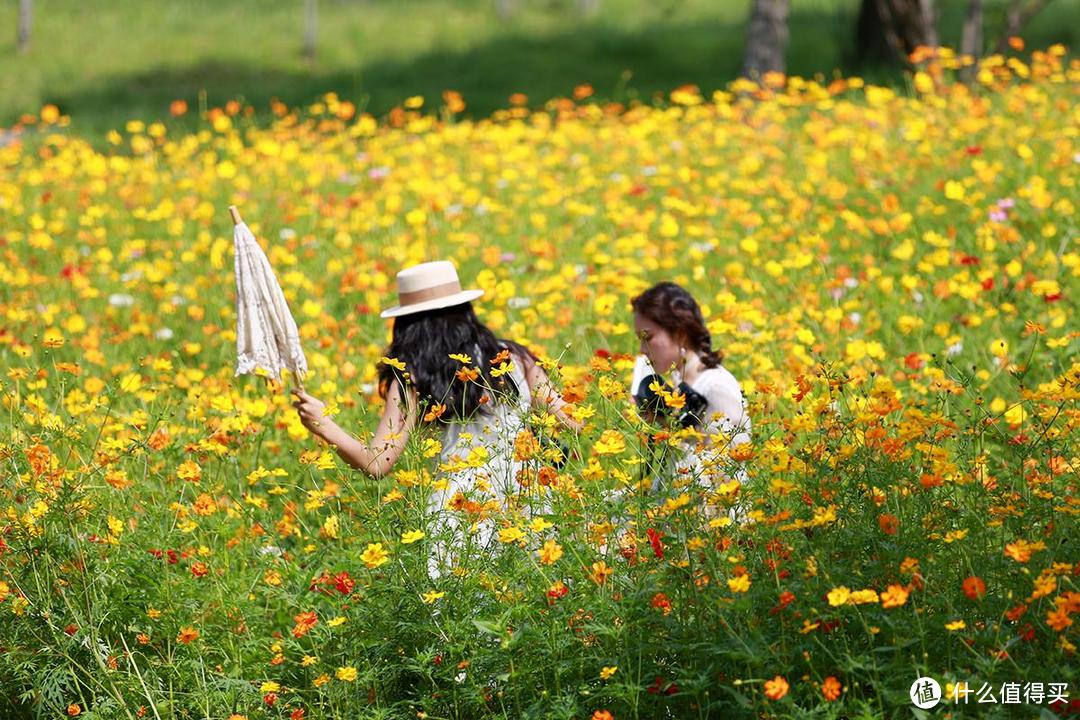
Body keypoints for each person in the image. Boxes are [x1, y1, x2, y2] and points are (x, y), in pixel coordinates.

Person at [291, 260, 580, 576]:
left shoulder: (412, 377)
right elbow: (575, 423)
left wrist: (324, 424)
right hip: (531, 498)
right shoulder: (512, 357)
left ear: (407, 325)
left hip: (463, 510)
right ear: (465, 310)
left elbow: (377, 463)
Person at [628, 281, 751, 516]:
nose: (642, 349)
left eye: (648, 337)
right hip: (679, 513)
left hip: (710, 528)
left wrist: (673, 433)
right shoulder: (680, 379)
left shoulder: (716, 386)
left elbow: (726, 476)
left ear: (680, 333)